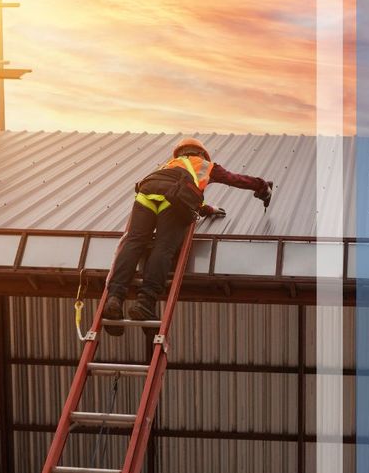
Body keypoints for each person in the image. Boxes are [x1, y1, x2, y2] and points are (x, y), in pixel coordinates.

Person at [102, 137, 272, 332]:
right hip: (172, 199)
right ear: (201, 153)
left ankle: (114, 299)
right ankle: (145, 302)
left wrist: (205, 208)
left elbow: (179, 188)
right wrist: (262, 186)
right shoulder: (206, 165)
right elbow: (234, 179)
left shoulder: (169, 164)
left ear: (181, 152)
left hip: (146, 191)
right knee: (163, 248)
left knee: (134, 242)